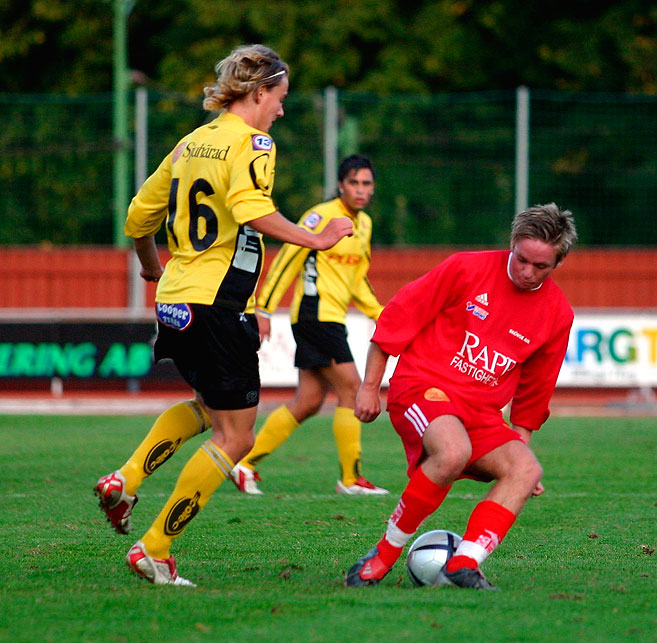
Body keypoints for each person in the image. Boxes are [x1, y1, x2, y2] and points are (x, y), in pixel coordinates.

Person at [93, 44, 353, 587]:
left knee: (208, 409)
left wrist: (151, 272)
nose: (281, 110)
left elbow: (139, 219)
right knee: (236, 437)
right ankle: (155, 549)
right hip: (216, 303)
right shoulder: (255, 143)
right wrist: (318, 239)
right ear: (260, 93)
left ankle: (127, 479)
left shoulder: (191, 143)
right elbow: (252, 209)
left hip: (176, 300)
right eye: (280, 98)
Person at [344, 203, 577, 590]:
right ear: (512, 244)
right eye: (522, 260)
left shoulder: (557, 314)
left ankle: (464, 563)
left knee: (526, 468)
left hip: (480, 412)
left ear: (558, 263)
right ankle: (382, 555)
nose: (527, 272)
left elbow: (535, 392)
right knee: (452, 453)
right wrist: (370, 386)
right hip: (422, 386)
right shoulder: (465, 268)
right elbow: (397, 318)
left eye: (541, 267)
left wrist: (520, 447)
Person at [231, 155, 388, 496]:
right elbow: (289, 258)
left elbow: (357, 279)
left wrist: (380, 312)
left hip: (331, 318)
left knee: (309, 401)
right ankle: (351, 480)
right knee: (352, 389)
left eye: (366, 184)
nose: (360, 190)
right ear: (341, 185)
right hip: (315, 315)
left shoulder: (364, 225)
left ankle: (244, 464)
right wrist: (265, 309)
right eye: (354, 183)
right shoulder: (321, 216)